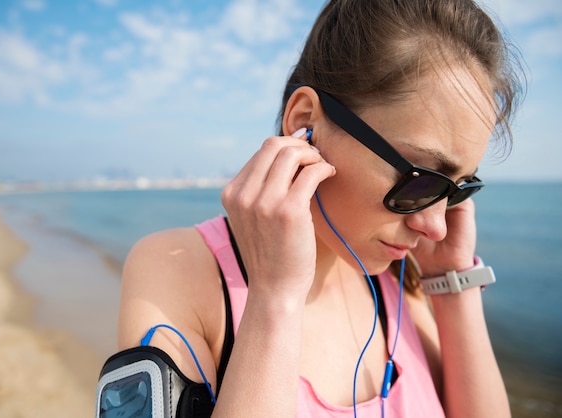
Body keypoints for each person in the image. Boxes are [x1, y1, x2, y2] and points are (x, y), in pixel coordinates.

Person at [117, 0, 524, 416]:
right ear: (305, 122)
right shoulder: (178, 268)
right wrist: (276, 298)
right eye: (420, 180)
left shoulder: (403, 283)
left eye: (457, 190)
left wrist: (451, 284)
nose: (436, 226)